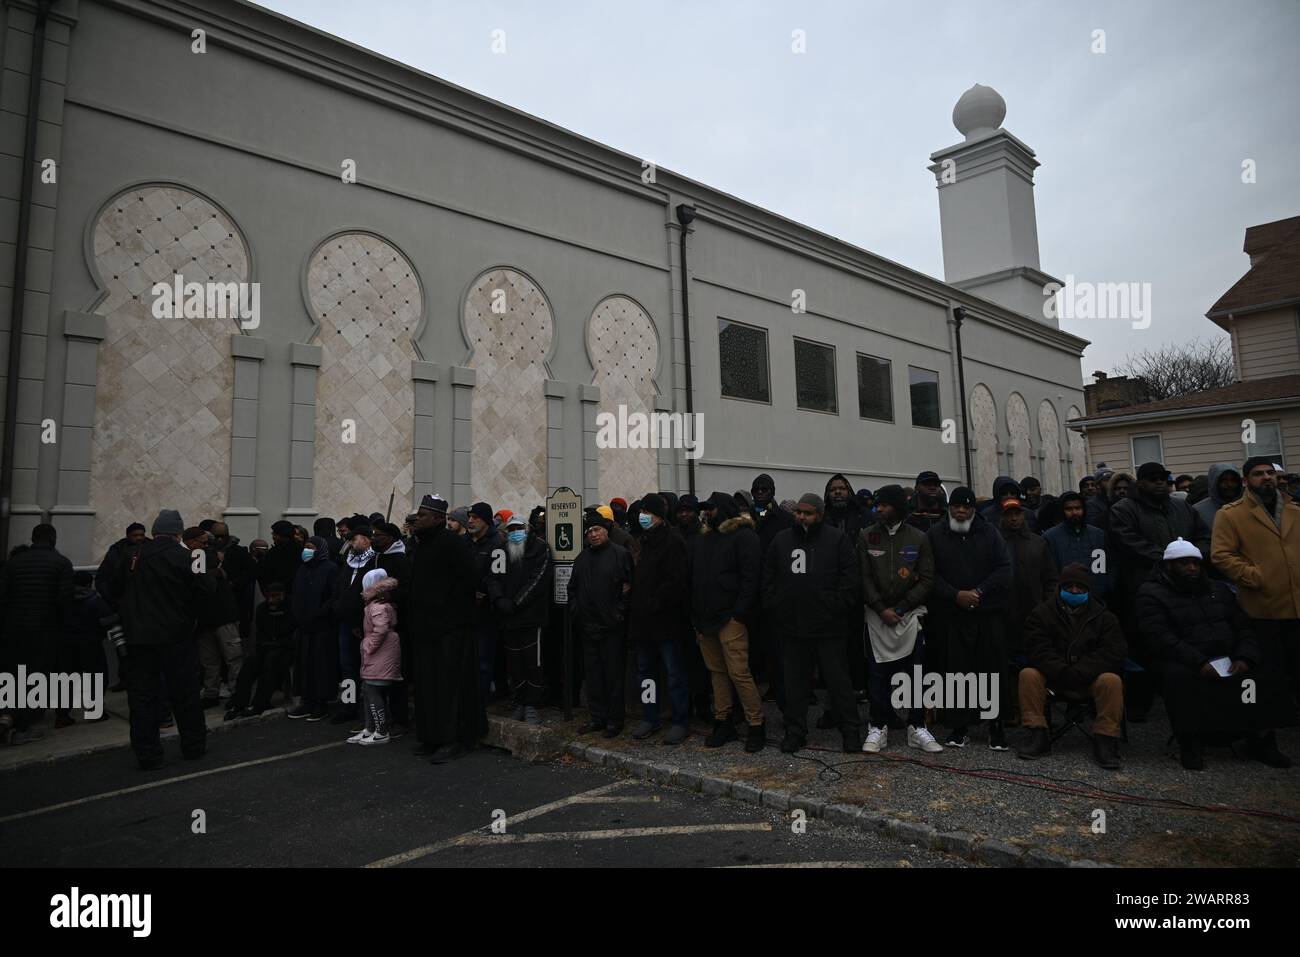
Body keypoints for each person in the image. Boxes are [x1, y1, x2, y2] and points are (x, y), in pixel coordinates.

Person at [1138, 538, 1293, 770]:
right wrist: (1199, 662)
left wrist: (1244, 657)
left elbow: (1243, 626)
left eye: (1195, 563)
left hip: (1228, 655)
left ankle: (1260, 740)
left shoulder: (1218, 590)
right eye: (1184, 563)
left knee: (1262, 675)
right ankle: (1190, 743)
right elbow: (1161, 638)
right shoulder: (1151, 594)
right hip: (1188, 660)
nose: (1191, 568)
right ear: (1169, 565)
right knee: (1178, 679)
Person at [109, 510, 215, 769]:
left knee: (142, 698)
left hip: (137, 639)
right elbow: (207, 590)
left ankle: (147, 754)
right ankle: (193, 746)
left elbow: (109, 588)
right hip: (176, 636)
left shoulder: (130, 555)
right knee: (185, 694)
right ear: (178, 533)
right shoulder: (187, 556)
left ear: (154, 532)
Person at [762, 493, 861, 753]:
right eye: (798, 512)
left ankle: (850, 731)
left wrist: (833, 606)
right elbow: (768, 576)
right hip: (793, 627)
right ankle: (795, 732)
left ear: (819, 514)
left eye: (807, 513)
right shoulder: (782, 540)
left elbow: (850, 580)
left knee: (838, 683)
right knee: (795, 685)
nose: (801, 517)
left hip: (829, 628)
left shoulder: (837, 540)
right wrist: (777, 605)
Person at [926, 487, 1012, 749]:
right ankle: (958, 726)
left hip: (986, 614)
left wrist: (978, 591)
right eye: (956, 507)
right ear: (949, 508)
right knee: (955, 671)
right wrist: (955, 595)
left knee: (990, 670)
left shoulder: (990, 533)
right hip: (952, 616)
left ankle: (995, 725)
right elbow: (929, 573)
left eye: (966, 507)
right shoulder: (935, 535)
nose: (961, 511)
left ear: (974, 510)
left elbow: (1004, 569)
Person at [1016, 563, 1126, 768]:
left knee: (1112, 680)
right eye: (1069, 586)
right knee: (1028, 674)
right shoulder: (1041, 614)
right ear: (1060, 588)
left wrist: (1082, 670)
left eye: (1080, 587)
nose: (1074, 591)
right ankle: (1037, 733)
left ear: (1088, 590)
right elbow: (1037, 650)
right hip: (1054, 678)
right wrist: (1062, 670)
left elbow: (1113, 653)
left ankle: (1105, 738)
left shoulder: (1105, 618)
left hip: (1089, 679)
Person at [858, 485, 940, 753]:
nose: (878, 509)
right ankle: (877, 726)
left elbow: (927, 579)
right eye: (876, 505)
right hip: (876, 616)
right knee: (876, 675)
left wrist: (902, 608)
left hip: (909, 616)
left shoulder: (918, 538)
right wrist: (881, 608)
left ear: (897, 507)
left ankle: (917, 727)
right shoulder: (866, 537)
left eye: (884, 505)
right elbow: (864, 577)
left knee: (915, 673)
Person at [1211, 457, 1300, 701]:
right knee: (1271, 665)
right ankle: (1275, 712)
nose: (1267, 478)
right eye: (1259, 474)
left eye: (1270, 473)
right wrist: (1254, 576)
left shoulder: (1295, 510)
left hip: (1297, 603)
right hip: (1264, 605)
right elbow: (1221, 555)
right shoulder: (1231, 514)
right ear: (1246, 481)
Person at [410, 494, 485, 762]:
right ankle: (430, 736)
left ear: (438, 518)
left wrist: (449, 605)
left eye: (423, 515)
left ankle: (452, 738)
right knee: (427, 685)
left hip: (450, 628)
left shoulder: (453, 544)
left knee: (448, 686)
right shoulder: (421, 545)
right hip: (425, 628)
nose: (418, 519)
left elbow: (472, 577)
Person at [688, 491, 765, 750]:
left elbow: (751, 577)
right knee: (717, 673)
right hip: (705, 618)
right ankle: (724, 721)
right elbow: (694, 577)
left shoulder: (744, 537)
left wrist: (740, 612)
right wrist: (695, 614)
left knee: (739, 672)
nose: (706, 513)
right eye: (705, 509)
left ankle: (756, 724)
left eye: (711, 508)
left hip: (731, 617)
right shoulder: (703, 539)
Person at [0, 524, 75, 742]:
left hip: (14, 630)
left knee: (15, 675)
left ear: (33, 538)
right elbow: (64, 601)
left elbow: (3, 599)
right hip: (46, 630)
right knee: (39, 677)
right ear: (54, 539)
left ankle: (9, 715)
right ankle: (24, 726)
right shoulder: (61, 563)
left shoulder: (13, 563)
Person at [627, 493, 690, 743]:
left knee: (674, 674)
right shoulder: (645, 540)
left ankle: (680, 720)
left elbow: (676, 582)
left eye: (647, 513)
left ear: (659, 516)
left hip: (666, 622)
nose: (643, 517)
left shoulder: (673, 541)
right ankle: (649, 716)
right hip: (644, 623)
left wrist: (655, 603)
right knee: (646, 673)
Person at [569, 510, 633, 736]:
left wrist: (618, 615)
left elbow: (628, 589)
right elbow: (572, 590)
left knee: (613, 675)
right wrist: (577, 613)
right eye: (589, 532)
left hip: (612, 627)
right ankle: (597, 717)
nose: (593, 535)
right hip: (587, 627)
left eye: (597, 530)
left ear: (606, 531)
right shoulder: (582, 558)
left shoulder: (620, 554)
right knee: (593, 676)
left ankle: (615, 720)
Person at [488, 514, 554, 725]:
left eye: (519, 528)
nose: (515, 532)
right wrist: (499, 599)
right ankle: (519, 701)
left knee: (532, 661)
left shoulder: (540, 548)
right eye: (512, 529)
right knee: (514, 662)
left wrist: (516, 602)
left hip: (530, 616)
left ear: (528, 529)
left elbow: (539, 579)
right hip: (507, 616)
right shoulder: (501, 549)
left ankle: (532, 703)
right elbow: (493, 577)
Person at [184, 526, 242, 710]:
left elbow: (198, 579)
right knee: (209, 661)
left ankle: (237, 692)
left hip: (221, 615)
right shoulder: (202, 556)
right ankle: (212, 693)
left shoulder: (204, 555)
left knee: (231, 657)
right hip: (206, 618)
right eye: (202, 541)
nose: (206, 544)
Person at [749, 473, 793, 705]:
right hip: (752, 592)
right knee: (757, 648)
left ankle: (784, 694)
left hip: (777, 593)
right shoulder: (746, 518)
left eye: (765, 489)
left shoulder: (785, 519)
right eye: (757, 489)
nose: (760, 493)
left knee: (779, 651)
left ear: (773, 491)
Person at [998, 498, 1058, 667]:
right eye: (1009, 515)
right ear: (1003, 517)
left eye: (1017, 514)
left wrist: (1047, 604)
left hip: (1036, 612)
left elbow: (1051, 577)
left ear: (1023, 515)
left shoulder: (1038, 542)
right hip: (1006, 617)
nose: (1014, 518)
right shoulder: (996, 543)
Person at [347, 568, 401, 745]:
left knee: (373, 690)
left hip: (381, 653)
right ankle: (370, 728)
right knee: (367, 689)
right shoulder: (375, 605)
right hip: (377, 654)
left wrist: (368, 645)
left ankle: (381, 730)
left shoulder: (377, 607)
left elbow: (381, 629)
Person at [226, 581, 296, 719]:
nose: (272, 600)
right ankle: (239, 703)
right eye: (269, 596)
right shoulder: (262, 609)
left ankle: (260, 703)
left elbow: (292, 634)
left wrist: (278, 644)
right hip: (267, 646)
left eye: (275, 596)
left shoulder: (290, 608)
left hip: (285, 648)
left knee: (272, 661)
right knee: (250, 663)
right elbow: (261, 634)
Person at [288, 536, 339, 721]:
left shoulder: (330, 568)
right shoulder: (302, 569)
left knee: (320, 666)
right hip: (304, 626)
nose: (306, 550)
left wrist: (319, 612)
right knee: (304, 665)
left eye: (311, 547)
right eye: (305, 547)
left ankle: (321, 703)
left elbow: (334, 595)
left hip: (322, 626)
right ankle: (306, 701)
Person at [332, 525, 378, 726]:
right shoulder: (348, 562)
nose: (351, 543)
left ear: (367, 540)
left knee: (367, 669)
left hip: (365, 624)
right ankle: (348, 705)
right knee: (347, 668)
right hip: (345, 622)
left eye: (355, 539)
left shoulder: (374, 561)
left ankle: (367, 710)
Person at [55, 571, 113, 727]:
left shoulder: (63, 599)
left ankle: (62, 714)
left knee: (67, 679)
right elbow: (107, 620)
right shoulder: (95, 600)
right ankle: (95, 710)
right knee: (96, 677)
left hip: (67, 643)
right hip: (91, 643)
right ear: (89, 583)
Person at [372, 522, 412, 735]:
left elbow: (407, 589)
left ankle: (400, 719)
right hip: (377, 624)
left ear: (390, 538)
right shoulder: (377, 558)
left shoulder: (400, 560)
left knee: (396, 674)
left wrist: (390, 596)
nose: (374, 538)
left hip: (396, 625)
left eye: (378, 535)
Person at [1042, 491, 1111, 600]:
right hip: (1065, 597)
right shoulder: (1050, 537)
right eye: (1069, 509)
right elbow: (1050, 573)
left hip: (1096, 597)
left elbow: (1105, 567)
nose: (1074, 512)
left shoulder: (1098, 534)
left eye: (1078, 508)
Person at [465, 502, 501, 701]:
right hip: (465, 608)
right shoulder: (466, 542)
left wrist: (483, 592)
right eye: (469, 517)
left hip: (485, 610)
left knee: (483, 657)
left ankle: (481, 697)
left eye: (475, 517)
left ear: (486, 521)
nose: (470, 521)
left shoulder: (497, 543)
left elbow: (497, 574)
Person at [95, 522, 147, 606]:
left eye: (141, 535)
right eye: (135, 535)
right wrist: (112, 600)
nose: (139, 538)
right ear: (128, 536)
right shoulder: (117, 550)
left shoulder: (150, 548)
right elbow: (103, 576)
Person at [1194, 463, 1243, 536]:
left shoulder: (1248, 506)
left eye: (1233, 480)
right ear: (1213, 483)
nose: (1229, 484)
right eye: (1223, 480)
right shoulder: (1198, 511)